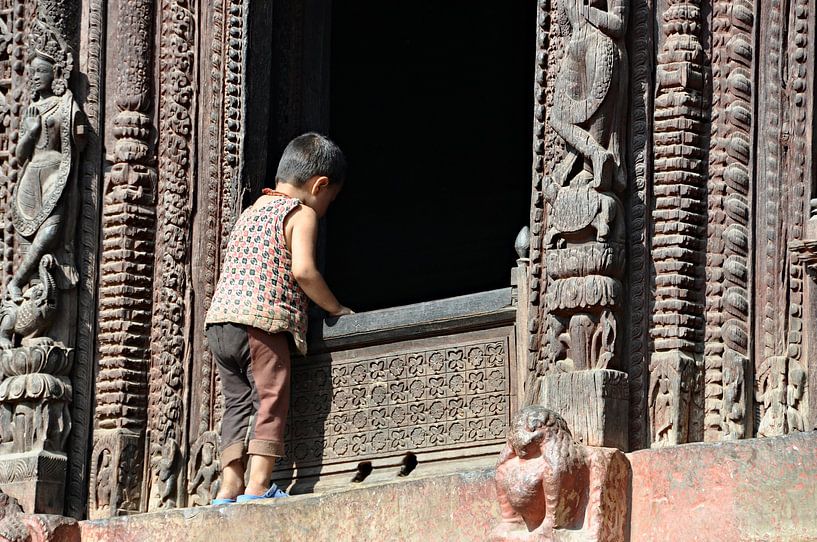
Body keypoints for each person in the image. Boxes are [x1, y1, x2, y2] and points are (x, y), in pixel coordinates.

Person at [204, 133, 352, 504]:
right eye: (330, 200)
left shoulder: (253, 210)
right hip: (261, 322)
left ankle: (228, 488)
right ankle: (258, 486)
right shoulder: (299, 213)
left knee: (236, 404)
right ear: (320, 185)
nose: (326, 207)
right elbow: (303, 271)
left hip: (220, 323)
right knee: (270, 398)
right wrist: (335, 308)